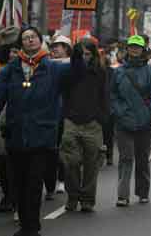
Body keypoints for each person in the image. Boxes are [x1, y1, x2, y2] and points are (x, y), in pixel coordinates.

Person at [0, 26, 85, 236]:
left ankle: (31, 227)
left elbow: (76, 75)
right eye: (25, 38)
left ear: (40, 41)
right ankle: (25, 224)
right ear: (21, 44)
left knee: (34, 183)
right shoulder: (11, 69)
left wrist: (78, 58)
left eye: (33, 37)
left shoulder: (53, 68)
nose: (29, 40)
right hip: (16, 136)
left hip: (42, 137)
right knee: (17, 183)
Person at [111, 35, 151, 207]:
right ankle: (122, 195)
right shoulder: (118, 72)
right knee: (125, 158)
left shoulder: (150, 72)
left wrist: (147, 114)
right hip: (123, 123)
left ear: (143, 50)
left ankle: (143, 192)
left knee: (142, 159)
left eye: (137, 47)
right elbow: (112, 95)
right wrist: (119, 112)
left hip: (144, 124)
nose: (134, 49)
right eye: (131, 47)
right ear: (127, 49)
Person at [60, 39, 109, 212]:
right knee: (70, 162)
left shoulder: (100, 72)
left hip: (92, 123)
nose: (85, 58)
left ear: (94, 55)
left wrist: (101, 119)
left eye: (88, 54)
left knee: (91, 164)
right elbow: (62, 94)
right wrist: (65, 114)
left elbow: (104, 96)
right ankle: (73, 195)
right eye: (82, 54)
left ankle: (87, 200)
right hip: (71, 121)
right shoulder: (69, 72)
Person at [0, 26, 20, 216]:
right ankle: (8, 194)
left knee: (17, 161)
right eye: (10, 50)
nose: (13, 54)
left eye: (16, 50)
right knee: (2, 159)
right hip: (0, 119)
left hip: (21, 119)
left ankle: (16, 197)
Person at [44, 35, 73, 200]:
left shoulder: (72, 65)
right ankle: (50, 182)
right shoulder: (46, 63)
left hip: (65, 111)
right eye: (53, 46)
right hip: (48, 111)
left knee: (63, 147)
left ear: (67, 49)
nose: (54, 49)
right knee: (50, 149)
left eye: (59, 46)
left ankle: (62, 178)